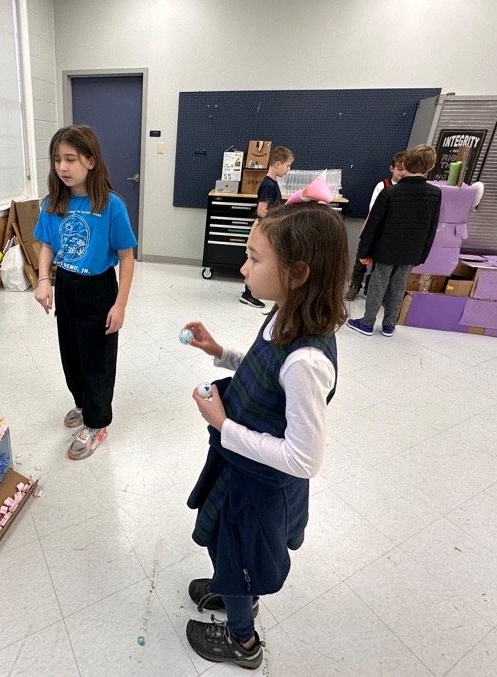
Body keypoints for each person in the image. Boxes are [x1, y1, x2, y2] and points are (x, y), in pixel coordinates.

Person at [182, 202, 347, 669]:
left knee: (237, 557)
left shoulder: (307, 362)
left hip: (259, 487)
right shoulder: (282, 314)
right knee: (225, 547)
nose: (243, 266)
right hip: (240, 470)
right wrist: (219, 351)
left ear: (297, 272)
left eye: (254, 258)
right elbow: (260, 368)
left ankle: (242, 640)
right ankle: (236, 592)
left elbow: (304, 459)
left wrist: (223, 425)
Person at [32, 125, 137, 460]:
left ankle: (97, 422)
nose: (62, 167)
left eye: (71, 159)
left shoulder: (111, 205)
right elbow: (47, 244)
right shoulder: (53, 202)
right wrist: (43, 280)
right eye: (57, 160)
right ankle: (83, 402)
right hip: (66, 287)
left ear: (90, 161)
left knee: (98, 360)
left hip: (98, 288)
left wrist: (120, 305)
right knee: (72, 355)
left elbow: (126, 256)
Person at [347, 144, 441, 338]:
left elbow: (373, 225)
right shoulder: (435, 194)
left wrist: (364, 252)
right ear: (431, 167)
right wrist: (423, 254)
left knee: (378, 284)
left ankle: (367, 322)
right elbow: (432, 228)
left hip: (385, 249)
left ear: (405, 164)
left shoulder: (390, 193)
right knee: (399, 286)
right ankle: (389, 325)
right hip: (411, 251)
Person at [346, 151, 408, 301]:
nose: (402, 173)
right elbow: (374, 208)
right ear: (391, 169)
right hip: (373, 229)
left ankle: (370, 288)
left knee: (380, 264)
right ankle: (355, 285)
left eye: (406, 170)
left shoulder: (407, 189)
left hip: (391, 234)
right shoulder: (383, 186)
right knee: (361, 259)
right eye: (399, 169)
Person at [241, 146, 294, 308]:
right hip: (263, 227)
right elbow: (261, 210)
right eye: (288, 165)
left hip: (267, 227)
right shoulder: (268, 185)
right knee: (256, 260)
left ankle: (250, 291)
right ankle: (248, 293)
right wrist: (277, 219)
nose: (288, 169)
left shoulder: (272, 184)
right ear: (277, 164)